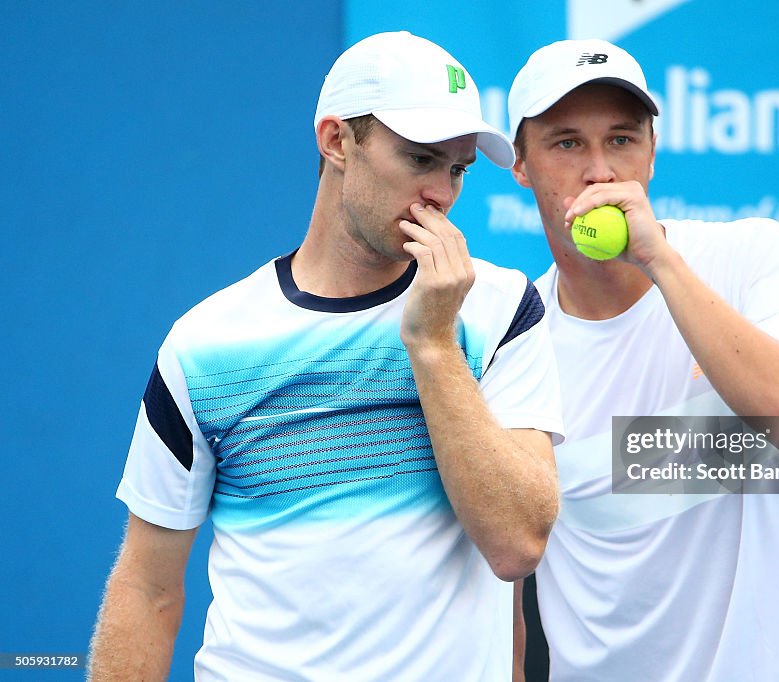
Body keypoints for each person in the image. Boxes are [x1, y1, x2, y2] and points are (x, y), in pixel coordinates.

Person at [88, 31, 563, 681]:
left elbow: (516, 544)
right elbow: (148, 588)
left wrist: (431, 344)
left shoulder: (503, 311)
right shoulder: (205, 344)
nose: (443, 193)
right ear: (337, 141)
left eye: (457, 169)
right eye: (420, 159)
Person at [507, 39, 779, 680]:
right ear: (521, 164)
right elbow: (501, 592)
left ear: (652, 150)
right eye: (566, 143)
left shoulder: (755, 255)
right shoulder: (510, 339)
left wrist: (660, 262)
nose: (599, 171)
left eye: (621, 140)